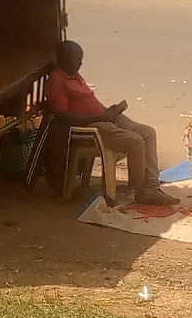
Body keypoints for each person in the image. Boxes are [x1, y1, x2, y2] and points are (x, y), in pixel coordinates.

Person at [43, 40, 180, 207]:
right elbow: (63, 117)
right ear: (64, 60)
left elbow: (88, 101)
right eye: (77, 60)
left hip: (103, 118)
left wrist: (110, 112)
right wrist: (98, 118)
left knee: (148, 133)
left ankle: (151, 187)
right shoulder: (56, 81)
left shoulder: (75, 76)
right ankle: (142, 191)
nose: (80, 64)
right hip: (91, 127)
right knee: (135, 141)